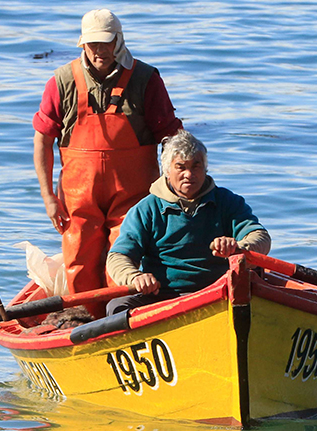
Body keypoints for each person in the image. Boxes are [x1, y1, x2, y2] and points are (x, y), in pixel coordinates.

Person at [33, 9, 182, 296]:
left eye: (106, 42)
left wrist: (175, 189)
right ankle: (83, 318)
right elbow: (42, 141)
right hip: (77, 197)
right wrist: (48, 198)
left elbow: (172, 138)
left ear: (119, 40)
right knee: (78, 257)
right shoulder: (61, 81)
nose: (100, 51)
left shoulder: (146, 79)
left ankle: (121, 316)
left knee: (126, 255)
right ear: (82, 44)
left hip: (133, 194)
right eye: (92, 44)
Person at [105, 129, 271, 315]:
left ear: (205, 169)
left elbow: (260, 237)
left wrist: (238, 248)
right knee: (116, 308)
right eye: (181, 167)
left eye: (196, 166)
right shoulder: (146, 209)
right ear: (167, 171)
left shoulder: (227, 201)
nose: (189, 174)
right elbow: (118, 257)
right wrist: (135, 277)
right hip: (163, 294)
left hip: (221, 292)